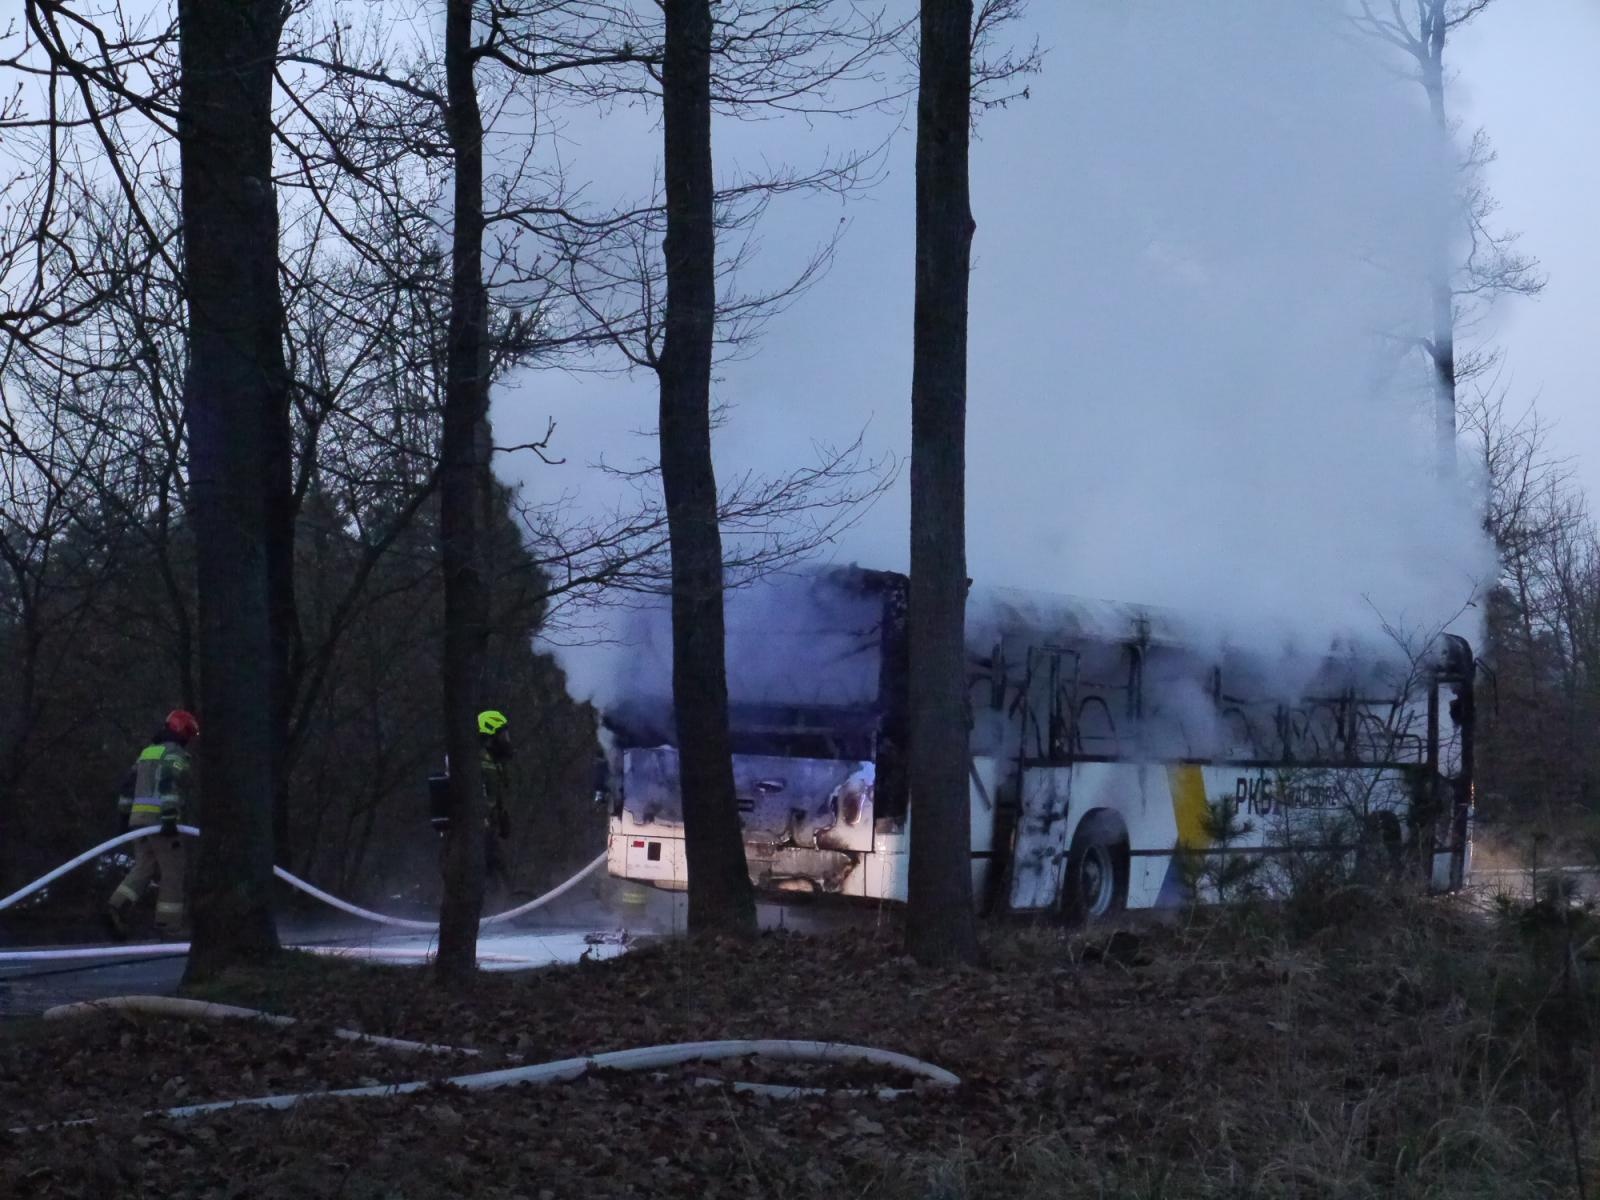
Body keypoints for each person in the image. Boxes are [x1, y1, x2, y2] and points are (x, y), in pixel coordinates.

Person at [106, 709, 198, 940]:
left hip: (139, 821)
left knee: (144, 867)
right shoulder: (174, 753)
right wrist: (169, 816)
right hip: (160, 821)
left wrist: (123, 818)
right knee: (173, 871)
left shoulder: (146, 753)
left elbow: (128, 785)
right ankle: (169, 925)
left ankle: (116, 907)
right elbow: (169, 781)